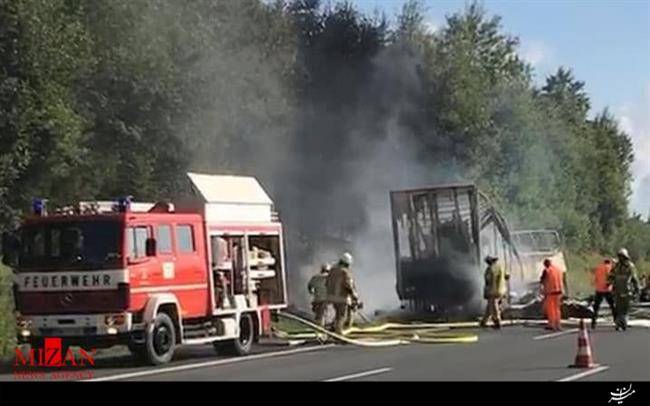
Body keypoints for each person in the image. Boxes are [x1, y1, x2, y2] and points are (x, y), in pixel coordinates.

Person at [608, 248, 640, 331]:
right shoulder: (616, 266)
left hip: (627, 289)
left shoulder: (630, 266)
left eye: (622, 256)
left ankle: (623, 321)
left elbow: (634, 278)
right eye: (620, 256)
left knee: (625, 307)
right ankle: (619, 322)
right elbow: (610, 276)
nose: (621, 258)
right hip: (617, 289)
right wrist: (609, 283)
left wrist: (637, 289)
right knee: (618, 307)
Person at [326, 252, 358, 334]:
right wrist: (354, 296)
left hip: (332, 297)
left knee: (338, 315)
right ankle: (339, 333)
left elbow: (327, 283)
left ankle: (335, 329)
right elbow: (348, 285)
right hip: (342, 298)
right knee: (341, 316)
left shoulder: (332, 270)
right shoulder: (345, 272)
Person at [480, 255, 509, 329]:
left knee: (493, 306)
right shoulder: (500, 267)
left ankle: (497, 321)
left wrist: (487, 292)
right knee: (489, 306)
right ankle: (484, 321)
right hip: (501, 290)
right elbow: (507, 276)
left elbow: (488, 281)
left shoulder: (490, 269)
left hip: (493, 291)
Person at [591, 257, 616, 329]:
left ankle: (593, 322)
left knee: (596, 307)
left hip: (599, 289)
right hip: (607, 289)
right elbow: (611, 277)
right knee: (612, 306)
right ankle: (616, 321)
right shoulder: (609, 267)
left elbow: (595, 278)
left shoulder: (598, 267)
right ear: (609, 262)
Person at [540, 258, 564, 331]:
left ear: (546, 264)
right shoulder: (558, 270)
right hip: (559, 292)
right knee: (557, 309)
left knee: (551, 310)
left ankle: (552, 324)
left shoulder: (547, 270)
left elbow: (542, 280)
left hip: (550, 292)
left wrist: (542, 290)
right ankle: (558, 324)